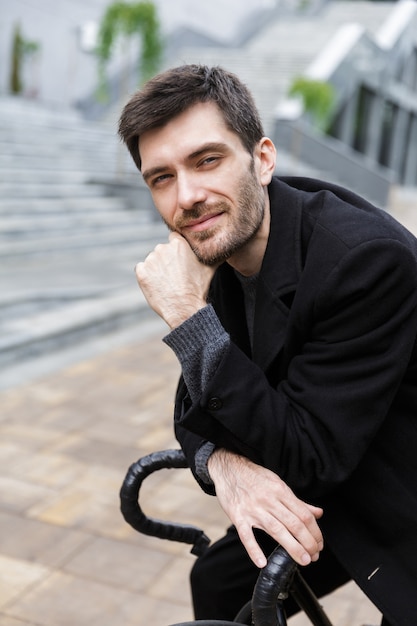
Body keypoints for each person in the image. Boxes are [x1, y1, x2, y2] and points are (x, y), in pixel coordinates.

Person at [118, 64, 417, 626]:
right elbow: (195, 405)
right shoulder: (225, 250)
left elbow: (310, 457)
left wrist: (186, 315)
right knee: (218, 579)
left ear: (262, 159)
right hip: (325, 471)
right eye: (161, 177)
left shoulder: (364, 261)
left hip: (397, 494)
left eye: (207, 160)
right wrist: (225, 465)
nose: (188, 197)